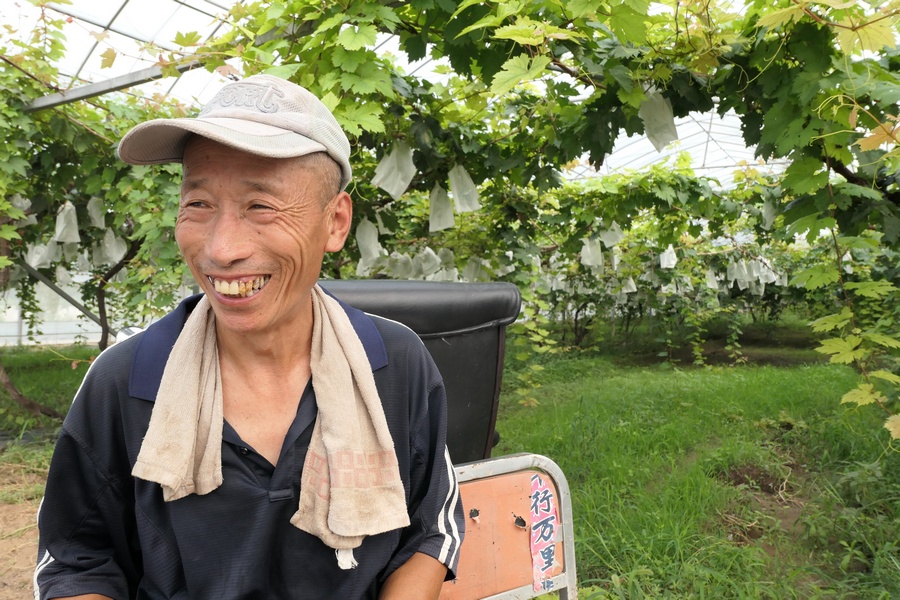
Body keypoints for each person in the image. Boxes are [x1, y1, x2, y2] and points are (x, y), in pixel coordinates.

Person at [34, 74, 464, 600]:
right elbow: (77, 559)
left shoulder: (393, 364)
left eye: (260, 206)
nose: (221, 249)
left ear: (335, 222)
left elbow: (430, 529)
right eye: (198, 204)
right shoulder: (129, 380)